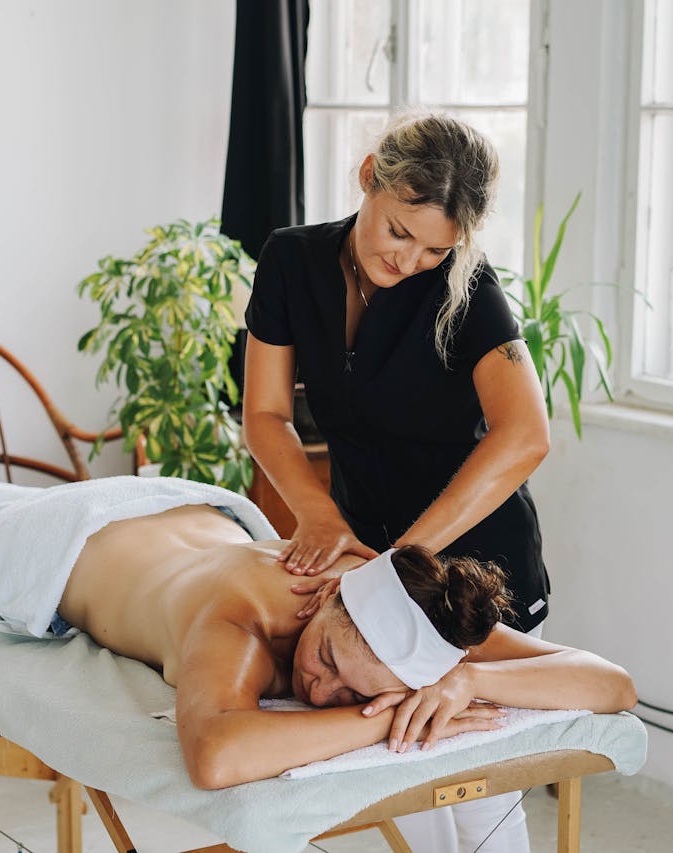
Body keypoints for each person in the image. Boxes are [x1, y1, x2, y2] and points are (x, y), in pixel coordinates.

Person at [242, 112, 554, 848]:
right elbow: (264, 414)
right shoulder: (292, 261)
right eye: (397, 231)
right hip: (367, 558)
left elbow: (525, 435)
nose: (409, 259)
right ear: (368, 178)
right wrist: (317, 515)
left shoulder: (466, 288)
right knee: (395, 778)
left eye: (435, 248)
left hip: (475, 570)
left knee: (476, 794)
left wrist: (402, 559)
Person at [53, 500, 635, 792]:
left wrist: (471, 680)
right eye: (326, 657)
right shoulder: (240, 619)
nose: (319, 690)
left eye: (356, 695)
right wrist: (385, 720)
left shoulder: (413, 613)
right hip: (80, 535)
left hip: (206, 519)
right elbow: (215, 757)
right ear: (330, 593)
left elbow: (613, 684)